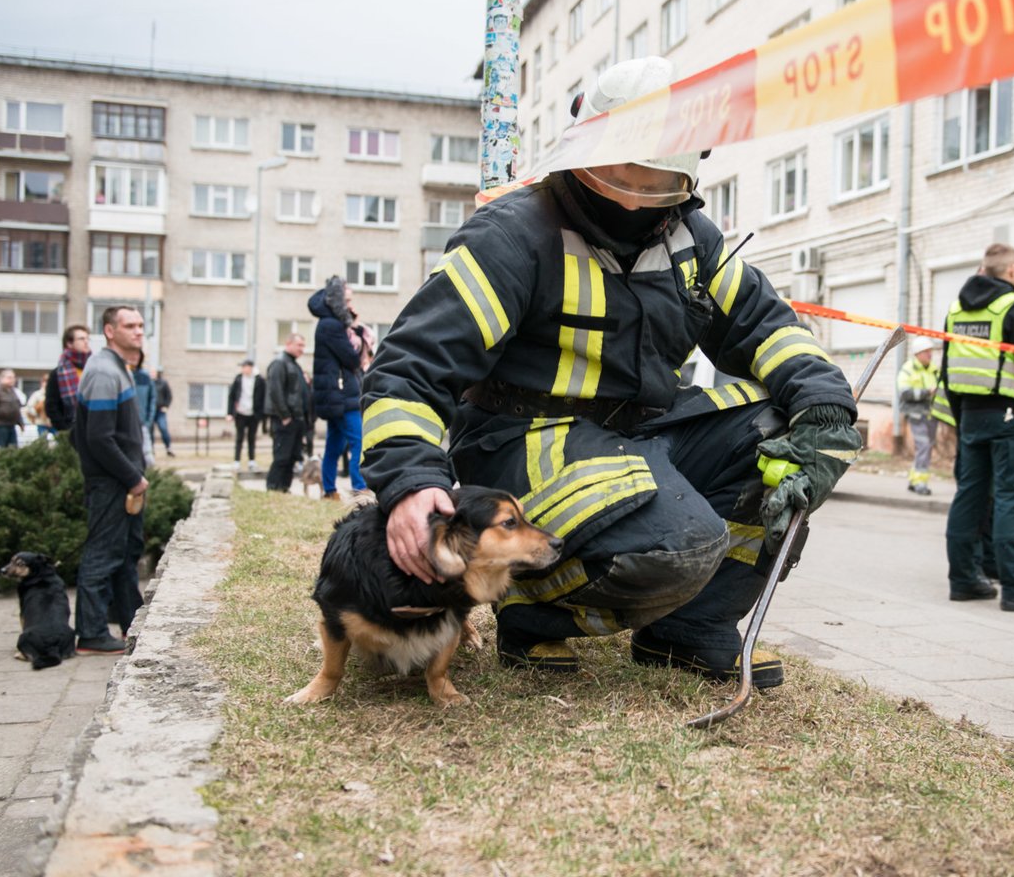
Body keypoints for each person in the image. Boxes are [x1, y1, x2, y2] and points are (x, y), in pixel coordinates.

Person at [360, 56, 861, 687]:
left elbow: (766, 326)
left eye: (655, 182)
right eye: (617, 173)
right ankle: (530, 610)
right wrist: (409, 481)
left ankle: (689, 629)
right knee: (680, 543)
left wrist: (824, 409)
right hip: (526, 443)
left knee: (781, 436)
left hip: (641, 436)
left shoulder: (691, 239)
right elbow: (410, 366)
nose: (630, 198)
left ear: (687, 172)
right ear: (580, 151)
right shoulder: (513, 236)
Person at [939, 244, 1014, 612]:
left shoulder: (956, 310)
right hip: (1009, 418)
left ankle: (964, 580)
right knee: (1012, 497)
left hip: (969, 415)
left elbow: (947, 372)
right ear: (1011, 271)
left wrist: (960, 418)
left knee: (969, 496)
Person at [70, 306, 148, 655]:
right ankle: (90, 633)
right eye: (129, 325)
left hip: (121, 480)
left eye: (141, 325)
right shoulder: (103, 370)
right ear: (109, 331)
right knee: (102, 556)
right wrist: (132, 477)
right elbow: (98, 438)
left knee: (125, 553)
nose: (138, 331)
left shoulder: (117, 367)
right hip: (112, 482)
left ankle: (131, 621)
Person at [308, 275, 370, 500]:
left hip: (335, 394)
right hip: (342, 395)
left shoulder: (328, 323)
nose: (350, 306)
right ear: (337, 300)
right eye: (347, 300)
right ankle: (360, 489)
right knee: (358, 442)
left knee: (334, 444)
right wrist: (357, 330)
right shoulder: (332, 325)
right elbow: (352, 359)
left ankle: (330, 490)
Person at [264, 333, 310, 493]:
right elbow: (275, 391)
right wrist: (284, 416)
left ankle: (284, 487)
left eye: (303, 346)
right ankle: (273, 487)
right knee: (282, 456)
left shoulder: (293, 364)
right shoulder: (279, 363)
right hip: (285, 419)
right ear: (288, 344)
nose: (302, 349)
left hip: (296, 418)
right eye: (299, 345)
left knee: (291, 456)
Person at [897, 338, 940, 496]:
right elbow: (905, 393)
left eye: (930, 351)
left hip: (931, 414)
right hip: (916, 414)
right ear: (918, 353)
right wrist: (926, 392)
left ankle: (913, 480)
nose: (930, 354)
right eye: (926, 351)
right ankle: (920, 483)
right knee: (924, 446)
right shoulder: (908, 369)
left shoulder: (934, 369)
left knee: (925, 447)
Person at [48, 324, 91, 434]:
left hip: (95, 430)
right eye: (81, 339)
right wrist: (66, 430)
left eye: (87, 338)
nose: (86, 342)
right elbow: (51, 406)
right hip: (71, 432)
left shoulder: (95, 368)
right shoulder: (58, 373)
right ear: (69, 343)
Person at [226, 359, 265, 473]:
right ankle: (237, 461)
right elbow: (231, 396)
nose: (243, 369)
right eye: (242, 367)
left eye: (245, 367)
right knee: (239, 437)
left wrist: (262, 414)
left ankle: (251, 461)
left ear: (250, 367)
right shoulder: (238, 379)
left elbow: (263, 396)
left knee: (251, 438)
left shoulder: (259, 380)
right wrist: (230, 413)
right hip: (240, 413)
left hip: (253, 414)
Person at [132, 352, 157, 468]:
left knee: (148, 459)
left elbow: (152, 399)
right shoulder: (121, 375)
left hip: (142, 423)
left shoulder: (145, 377)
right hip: (125, 424)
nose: (134, 358)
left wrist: (148, 421)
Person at [152, 368, 175, 456]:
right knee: (150, 430)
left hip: (160, 411)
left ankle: (168, 448)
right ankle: (151, 449)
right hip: (151, 411)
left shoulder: (163, 383)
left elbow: (169, 396)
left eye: (153, 372)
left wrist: (166, 406)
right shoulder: (149, 383)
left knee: (163, 428)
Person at [29, 373, 53, 438]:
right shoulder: (37, 394)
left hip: (54, 423)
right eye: (45, 381)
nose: (47, 383)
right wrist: (37, 412)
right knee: (43, 441)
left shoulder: (55, 394)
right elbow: (29, 408)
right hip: (42, 423)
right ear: (42, 383)